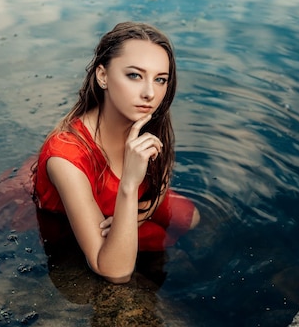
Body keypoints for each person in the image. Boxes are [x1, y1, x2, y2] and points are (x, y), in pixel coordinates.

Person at [31, 22, 200, 284]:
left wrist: (138, 214)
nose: (149, 93)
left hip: (125, 203)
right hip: (75, 213)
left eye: (160, 79)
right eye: (134, 75)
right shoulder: (66, 157)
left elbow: (162, 177)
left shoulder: (148, 121)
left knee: (192, 218)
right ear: (103, 76)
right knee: (139, 250)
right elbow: (114, 271)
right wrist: (129, 185)